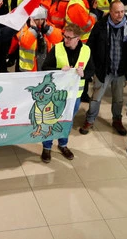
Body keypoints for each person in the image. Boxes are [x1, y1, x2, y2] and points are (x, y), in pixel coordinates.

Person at [82, 0, 127, 136]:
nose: (120, 15)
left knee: (118, 98)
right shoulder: (100, 26)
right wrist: (94, 68)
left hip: (120, 70)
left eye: (122, 12)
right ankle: (90, 119)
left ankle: (117, 120)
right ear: (110, 12)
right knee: (96, 97)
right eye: (116, 12)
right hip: (103, 70)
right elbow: (90, 46)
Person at [40, 23, 92, 163]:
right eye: (65, 36)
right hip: (57, 95)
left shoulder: (86, 51)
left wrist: (84, 73)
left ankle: (63, 145)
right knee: (50, 120)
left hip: (74, 96)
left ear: (78, 38)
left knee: (67, 122)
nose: (66, 40)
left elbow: (92, 71)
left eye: (69, 38)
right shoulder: (57, 48)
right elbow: (44, 67)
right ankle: (47, 147)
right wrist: (58, 70)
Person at [16, 6, 62, 72]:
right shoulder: (24, 27)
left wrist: (47, 29)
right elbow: (25, 42)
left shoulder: (46, 26)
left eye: (42, 19)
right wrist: (34, 30)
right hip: (30, 70)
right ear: (31, 19)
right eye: (37, 19)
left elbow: (58, 38)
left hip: (44, 65)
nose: (40, 22)